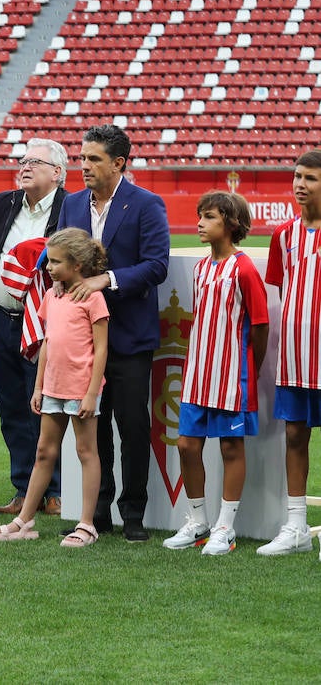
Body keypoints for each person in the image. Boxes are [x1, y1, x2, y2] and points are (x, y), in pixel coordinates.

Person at [54, 124, 169, 542]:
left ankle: (133, 513)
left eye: (93, 159)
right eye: (82, 158)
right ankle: (97, 512)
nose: (83, 166)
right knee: (93, 427)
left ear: (119, 163)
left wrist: (109, 280)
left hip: (130, 337)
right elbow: (58, 254)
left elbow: (156, 265)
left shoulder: (146, 204)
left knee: (133, 426)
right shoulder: (71, 205)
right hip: (84, 342)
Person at [0, 228, 109, 547]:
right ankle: (24, 519)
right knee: (44, 451)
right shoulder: (51, 295)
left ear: (78, 266)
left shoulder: (93, 298)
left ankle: (87, 524)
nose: (48, 267)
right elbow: (47, 343)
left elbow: (101, 349)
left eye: (56, 262)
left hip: (81, 388)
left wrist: (91, 392)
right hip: (53, 388)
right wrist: (38, 387)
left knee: (86, 452)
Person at [164, 192, 268, 556]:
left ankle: (226, 527)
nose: (199, 223)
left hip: (230, 376)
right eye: (199, 216)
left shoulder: (244, 269)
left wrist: (248, 372)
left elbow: (259, 325)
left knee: (230, 447)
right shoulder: (201, 268)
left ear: (232, 224)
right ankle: (197, 522)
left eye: (208, 217)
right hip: (198, 374)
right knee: (187, 445)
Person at [0, 138, 68, 517]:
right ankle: (24, 487)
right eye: (23, 160)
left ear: (57, 172)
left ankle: (56, 490)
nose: (24, 166)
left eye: (35, 162)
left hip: (49, 325)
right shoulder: (2, 204)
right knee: (11, 405)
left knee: (47, 403)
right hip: (1, 319)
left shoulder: (70, 207)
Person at [258, 150, 321, 556]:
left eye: (310, 178)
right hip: (297, 355)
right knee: (295, 434)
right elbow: (283, 294)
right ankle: (296, 525)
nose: (300, 184)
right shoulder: (283, 234)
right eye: (297, 176)